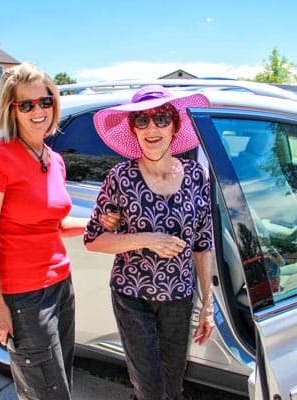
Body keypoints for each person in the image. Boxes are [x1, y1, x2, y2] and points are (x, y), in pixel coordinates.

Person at [84, 85, 216, 400]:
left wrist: (207, 305)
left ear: (175, 124)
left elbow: (203, 242)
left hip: (179, 298)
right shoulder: (120, 178)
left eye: (160, 118)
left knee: (173, 385)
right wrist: (146, 239)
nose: (151, 128)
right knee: (150, 388)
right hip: (133, 298)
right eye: (141, 121)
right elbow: (94, 239)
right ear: (133, 129)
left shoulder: (197, 176)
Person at [0, 62, 87, 400]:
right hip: (24, 298)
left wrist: (98, 223)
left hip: (61, 286)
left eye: (45, 101)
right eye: (27, 104)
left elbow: (52, 224)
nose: (39, 110)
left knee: (59, 382)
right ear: (12, 110)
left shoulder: (53, 158)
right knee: (48, 393)